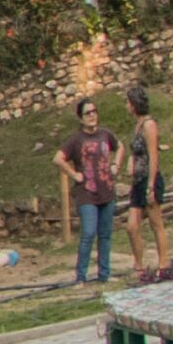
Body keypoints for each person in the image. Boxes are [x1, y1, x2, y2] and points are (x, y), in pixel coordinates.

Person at [53, 98, 121, 285]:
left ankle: (104, 275)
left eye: (94, 111)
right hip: (87, 195)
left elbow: (120, 146)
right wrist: (73, 174)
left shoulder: (105, 134)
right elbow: (58, 158)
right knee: (88, 234)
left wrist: (116, 164)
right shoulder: (76, 140)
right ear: (80, 118)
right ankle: (80, 277)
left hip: (106, 191)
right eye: (87, 113)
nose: (92, 115)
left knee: (105, 235)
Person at [124, 84, 169, 276]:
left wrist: (151, 186)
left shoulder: (149, 125)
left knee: (155, 223)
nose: (126, 106)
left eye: (128, 102)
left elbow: (153, 155)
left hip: (148, 180)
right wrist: (130, 160)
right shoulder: (137, 125)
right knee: (132, 226)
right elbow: (137, 152)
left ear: (134, 104)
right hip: (137, 180)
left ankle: (163, 263)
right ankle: (139, 264)